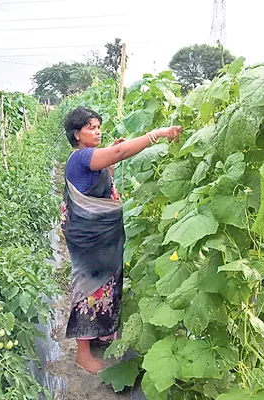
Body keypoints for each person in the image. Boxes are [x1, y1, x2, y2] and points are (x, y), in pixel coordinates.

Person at [60, 107, 181, 374]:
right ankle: (83, 354)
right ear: (76, 134)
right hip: (90, 239)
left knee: (108, 282)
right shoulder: (80, 158)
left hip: (102, 236)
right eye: (91, 127)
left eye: (98, 126)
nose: (98, 131)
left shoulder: (91, 161)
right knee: (89, 287)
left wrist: (110, 165)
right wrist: (156, 135)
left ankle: (100, 333)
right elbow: (118, 153)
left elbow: (101, 182)